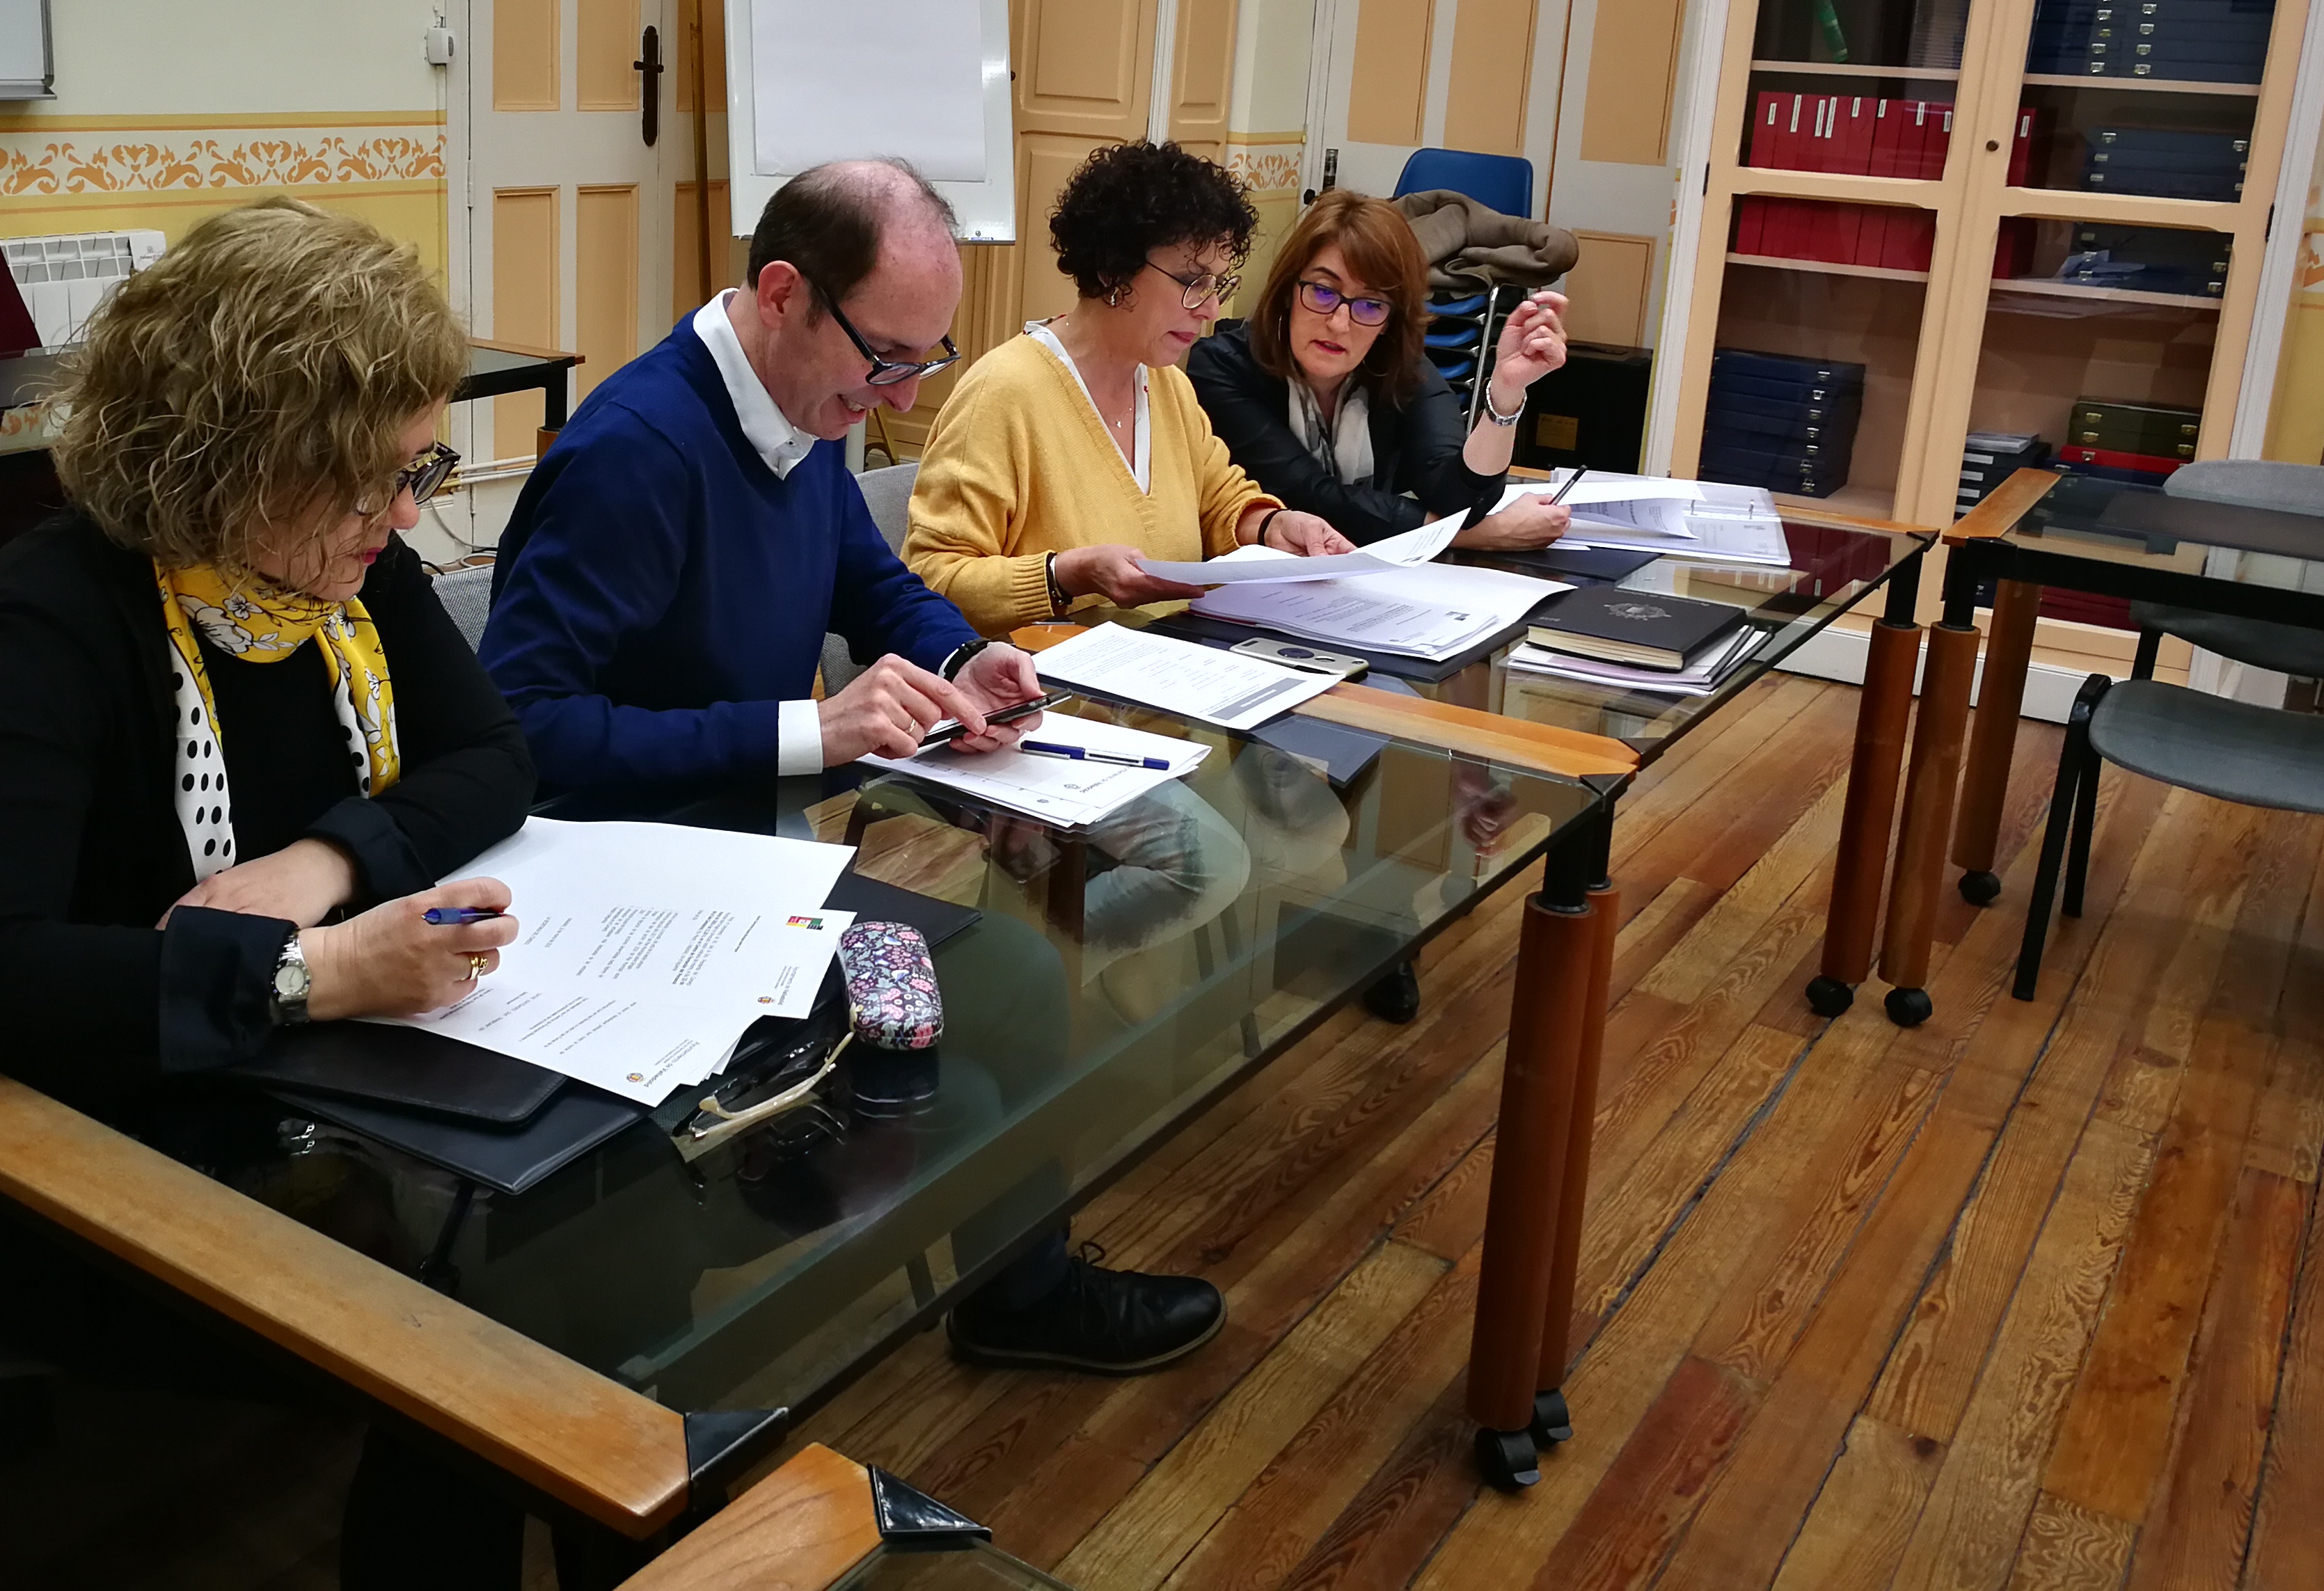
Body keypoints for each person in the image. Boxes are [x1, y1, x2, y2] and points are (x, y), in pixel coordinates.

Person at [484, 156, 1226, 1375]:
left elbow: (865, 580)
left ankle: (1016, 1290)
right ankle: (681, 1378)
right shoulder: (638, 449)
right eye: (887, 358)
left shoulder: (803, 402)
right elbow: (525, 727)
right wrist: (807, 733)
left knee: (1019, 983)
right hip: (633, 894)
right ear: (783, 293)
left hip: (754, 863)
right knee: (960, 1077)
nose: (902, 395)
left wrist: (963, 653)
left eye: (925, 360)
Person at [0, 196, 535, 1588]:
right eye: (374, 480)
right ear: (238, 462)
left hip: (309, 1088)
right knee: (489, 1309)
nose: (405, 516)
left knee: (573, 1226)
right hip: (100, 1130)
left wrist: (326, 861)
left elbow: (493, 757)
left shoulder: (333, 577)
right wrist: (320, 970)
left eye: (417, 469)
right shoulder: (52, 616)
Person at [902, 139, 1353, 636]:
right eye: (1192, 282)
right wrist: (1063, 576)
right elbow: (932, 580)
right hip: (1036, 678)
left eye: (1217, 285)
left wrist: (1271, 527)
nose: (1210, 309)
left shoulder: (1167, 386)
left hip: (1156, 667)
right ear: (1113, 270)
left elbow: (1219, 502)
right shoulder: (1003, 394)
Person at [1187, 188, 1574, 551]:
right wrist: (1484, 535)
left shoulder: (1399, 367)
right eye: (1323, 291)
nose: (1339, 323)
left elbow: (1459, 499)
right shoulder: (1222, 367)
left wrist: (1506, 392)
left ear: (1391, 319)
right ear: (1289, 289)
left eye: (1371, 305)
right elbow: (1311, 497)